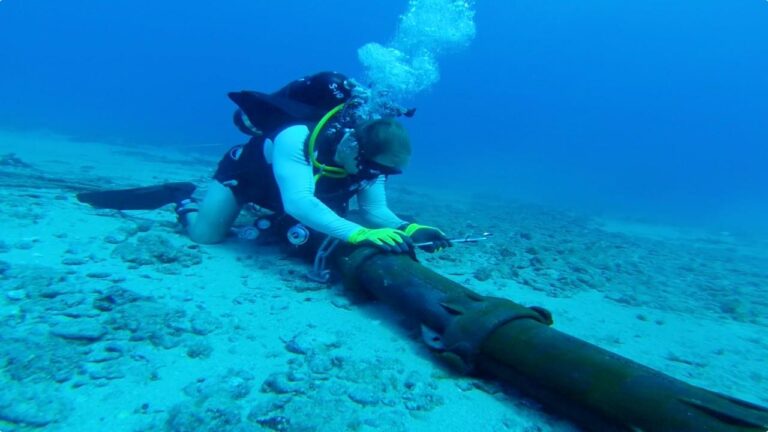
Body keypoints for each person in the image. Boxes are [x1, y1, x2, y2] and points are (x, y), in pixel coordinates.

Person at [175, 71, 451, 255]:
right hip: (250, 178)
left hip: (287, 192)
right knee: (205, 236)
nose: (379, 176)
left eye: (389, 172)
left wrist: (410, 229)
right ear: (354, 147)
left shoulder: (371, 165)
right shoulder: (297, 136)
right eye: (379, 169)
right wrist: (359, 234)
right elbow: (299, 202)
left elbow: (375, 210)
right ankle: (183, 199)